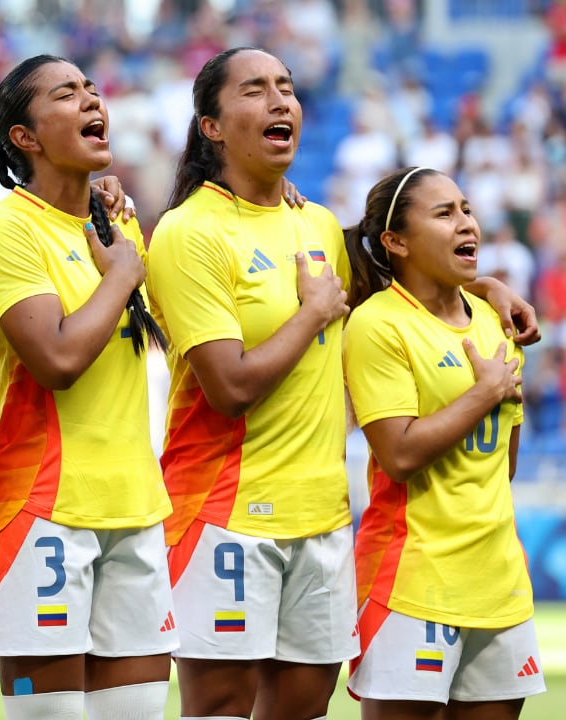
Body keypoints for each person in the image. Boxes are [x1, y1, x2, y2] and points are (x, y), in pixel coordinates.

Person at [145, 47, 538, 720]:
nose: (280, 102)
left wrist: (487, 288)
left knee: (304, 709)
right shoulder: (188, 233)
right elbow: (229, 387)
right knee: (218, 707)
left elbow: (406, 275)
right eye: (255, 90)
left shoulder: (317, 222)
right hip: (223, 513)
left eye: (287, 88)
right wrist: (313, 313)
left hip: (323, 518)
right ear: (210, 126)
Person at [0, 54, 176, 720]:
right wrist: (120, 276)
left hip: (136, 507)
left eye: (91, 87)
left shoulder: (117, 225)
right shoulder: (5, 228)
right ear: (24, 138)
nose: (92, 100)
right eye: (67, 93)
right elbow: (55, 359)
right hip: (44, 510)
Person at [343, 166, 546, 718]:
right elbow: (400, 455)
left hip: (499, 579)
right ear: (395, 242)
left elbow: (502, 464)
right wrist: (483, 394)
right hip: (412, 579)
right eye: (444, 213)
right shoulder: (377, 324)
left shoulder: (497, 321)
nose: (467, 224)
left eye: (466, 209)